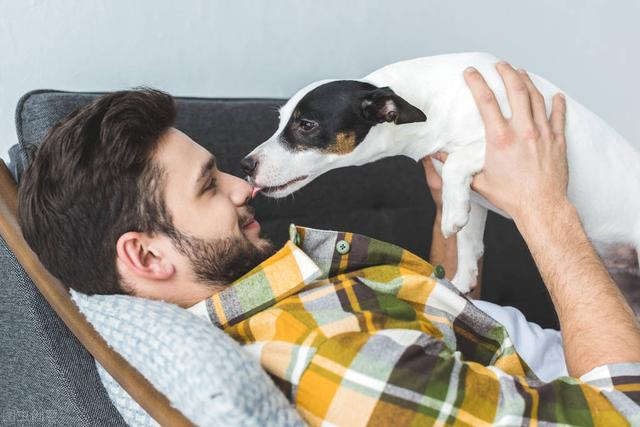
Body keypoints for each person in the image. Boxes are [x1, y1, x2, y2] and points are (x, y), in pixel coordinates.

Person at [17, 62, 640, 425]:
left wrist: (451, 218)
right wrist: (544, 207)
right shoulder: (326, 359)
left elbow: (448, 318)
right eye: (210, 187)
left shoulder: (279, 283)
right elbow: (623, 411)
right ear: (148, 257)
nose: (243, 186)